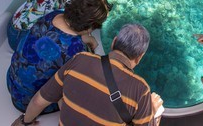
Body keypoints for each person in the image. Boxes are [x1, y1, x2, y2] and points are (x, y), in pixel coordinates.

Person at [11, 23, 164, 126]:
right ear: (140, 57)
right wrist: (154, 114)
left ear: (114, 42)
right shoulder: (140, 89)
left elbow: (39, 101)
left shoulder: (80, 59)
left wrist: (25, 123)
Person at [7, 0, 109, 114]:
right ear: (90, 27)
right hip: (26, 101)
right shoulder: (77, 51)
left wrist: (84, 37)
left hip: (11, 80)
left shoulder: (54, 15)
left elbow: (61, 37)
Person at [7, 0, 110, 50]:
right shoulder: (71, 5)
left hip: (12, 24)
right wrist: (88, 39)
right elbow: (70, 34)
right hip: (19, 39)